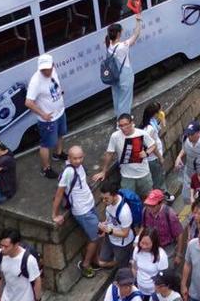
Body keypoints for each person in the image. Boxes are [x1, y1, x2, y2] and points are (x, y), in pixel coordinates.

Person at [52, 145, 100, 278]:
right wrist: (54, 215)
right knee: (95, 237)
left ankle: (95, 260)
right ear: (69, 158)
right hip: (82, 210)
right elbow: (59, 194)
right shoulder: (69, 172)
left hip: (89, 205)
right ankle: (86, 264)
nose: (78, 161)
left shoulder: (79, 167)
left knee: (97, 235)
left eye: (80, 158)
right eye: (74, 158)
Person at [93, 112, 156, 196]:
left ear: (132, 123)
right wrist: (104, 171)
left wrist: (146, 153)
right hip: (127, 176)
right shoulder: (115, 136)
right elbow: (109, 154)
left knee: (148, 197)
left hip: (143, 174)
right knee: (128, 199)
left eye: (126, 125)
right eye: (121, 126)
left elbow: (153, 145)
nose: (123, 128)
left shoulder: (141, 133)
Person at [26, 53, 67, 179]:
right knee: (46, 144)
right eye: (43, 69)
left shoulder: (53, 71)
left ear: (52, 65)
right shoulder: (36, 81)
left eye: (47, 68)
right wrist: (43, 114)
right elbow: (28, 102)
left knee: (61, 133)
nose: (46, 71)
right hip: (48, 119)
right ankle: (46, 168)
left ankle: (58, 154)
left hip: (59, 111)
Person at [0, 228, 42, 301]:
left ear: (16, 245)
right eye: (1, 245)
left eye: (6, 246)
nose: (2, 249)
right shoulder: (0, 254)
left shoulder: (29, 260)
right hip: (6, 300)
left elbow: (37, 281)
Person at [96, 179, 138, 271]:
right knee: (102, 262)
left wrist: (109, 231)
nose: (103, 201)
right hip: (110, 237)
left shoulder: (124, 212)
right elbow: (109, 217)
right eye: (102, 198)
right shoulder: (109, 204)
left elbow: (125, 233)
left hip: (122, 243)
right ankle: (120, 261)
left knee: (122, 267)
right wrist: (105, 224)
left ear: (114, 195)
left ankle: (124, 260)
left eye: (106, 198)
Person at [103, 20, 142, 116]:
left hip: (114, 76)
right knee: (125, 100)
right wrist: (138, 20)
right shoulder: (121, 47)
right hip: (124, 76)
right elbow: (135, 35)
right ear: (118, 34)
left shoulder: (109, 46)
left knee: (117, 98)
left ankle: (119, 120)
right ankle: (124, 121)